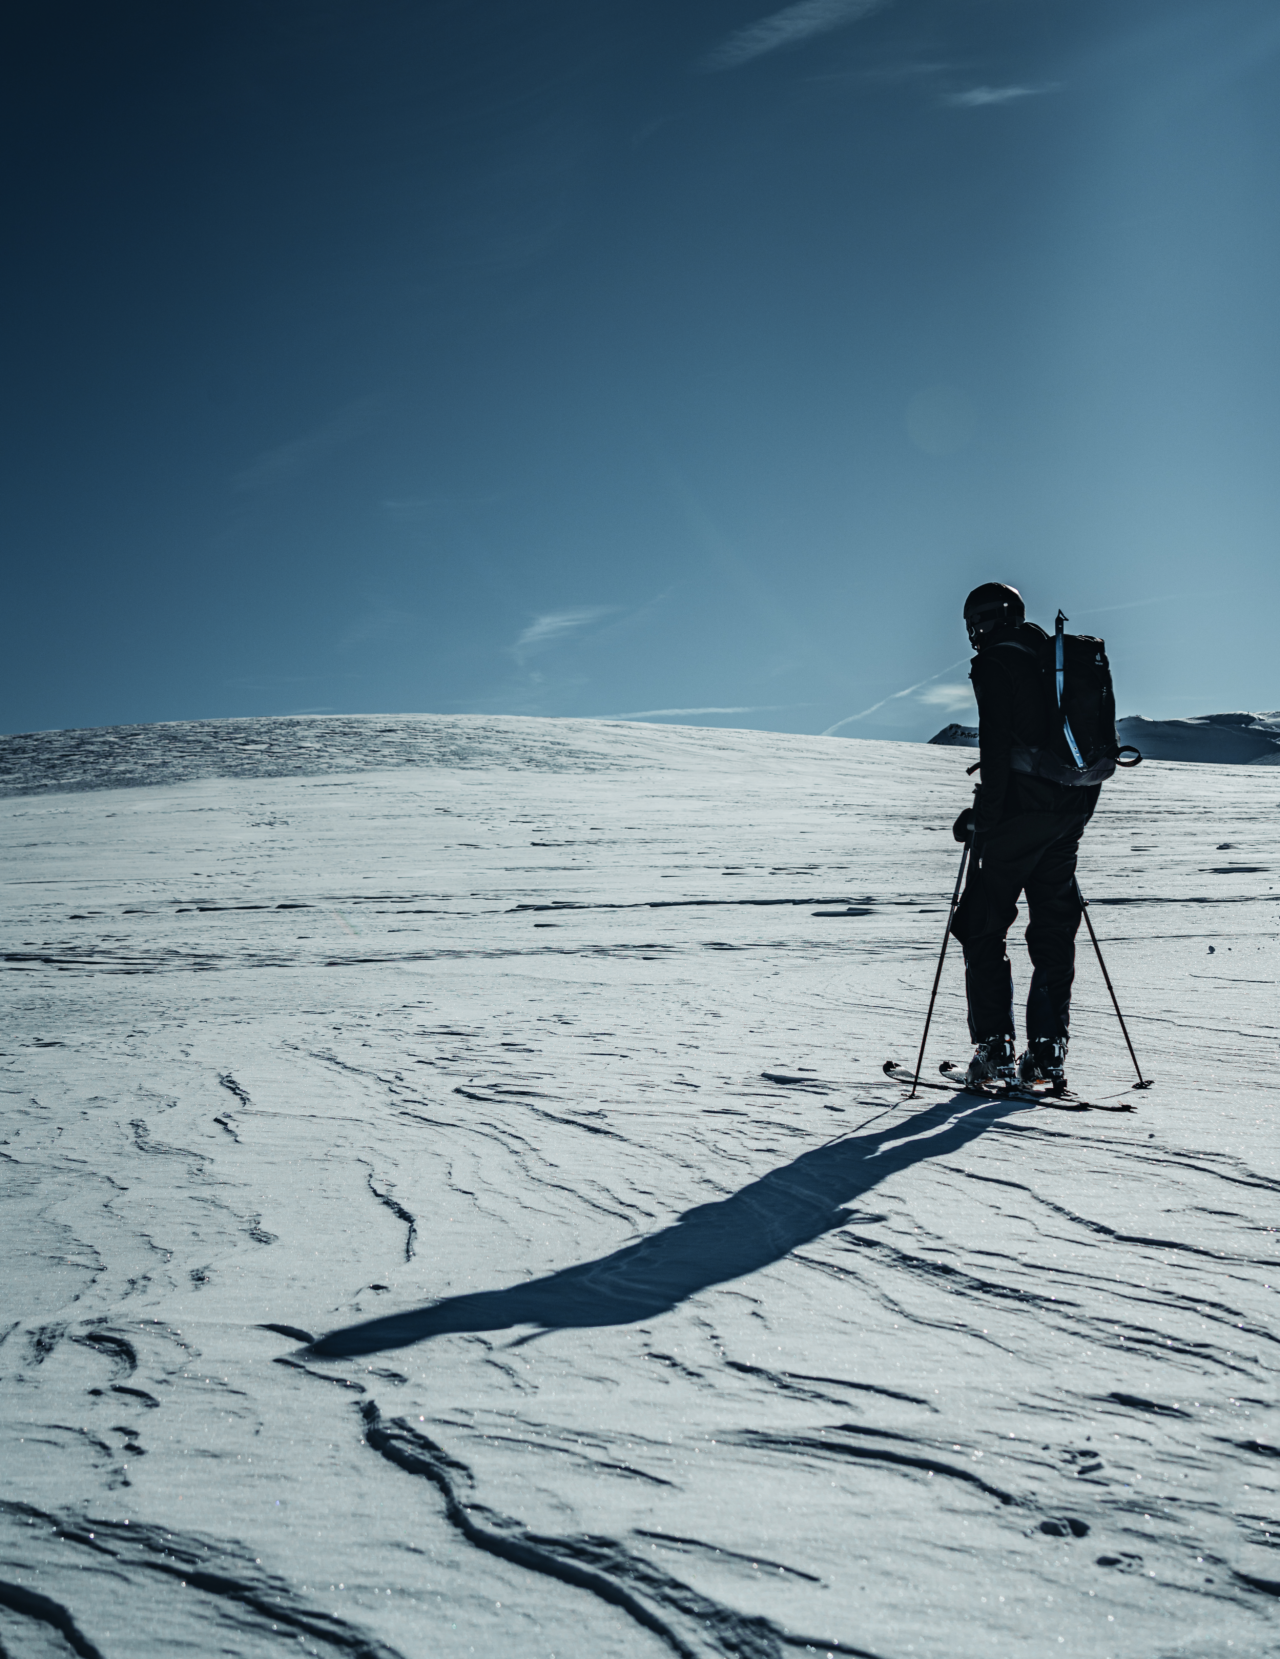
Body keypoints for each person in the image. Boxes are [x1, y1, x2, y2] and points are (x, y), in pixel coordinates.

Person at [948, 583, 1104, 1095]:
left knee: (981, 924)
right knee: (1054, 929)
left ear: (991, 620)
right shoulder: (1052, 659)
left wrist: (982, 819)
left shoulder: (997, 662)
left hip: (1018, 814)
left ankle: (994, 1049)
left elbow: (996, 749)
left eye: (977, 621)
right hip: (1070, 809)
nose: (974, 631)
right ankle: (1046, 1054)